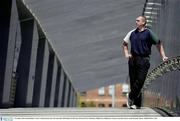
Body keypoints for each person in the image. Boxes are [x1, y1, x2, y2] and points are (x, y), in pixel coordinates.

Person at [122, 16, 168, 109]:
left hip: (144, 60)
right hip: (133, 60)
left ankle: (130, 96)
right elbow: (124, 43)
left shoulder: (149, 33)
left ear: (143, 22)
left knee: (140, 81)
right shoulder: (131, 32)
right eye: (136, 20)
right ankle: (136, 104)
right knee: (133, 82)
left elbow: (158, 43)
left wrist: (163, 56)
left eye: (138, 20)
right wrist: (127, 54)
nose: (136, 22)